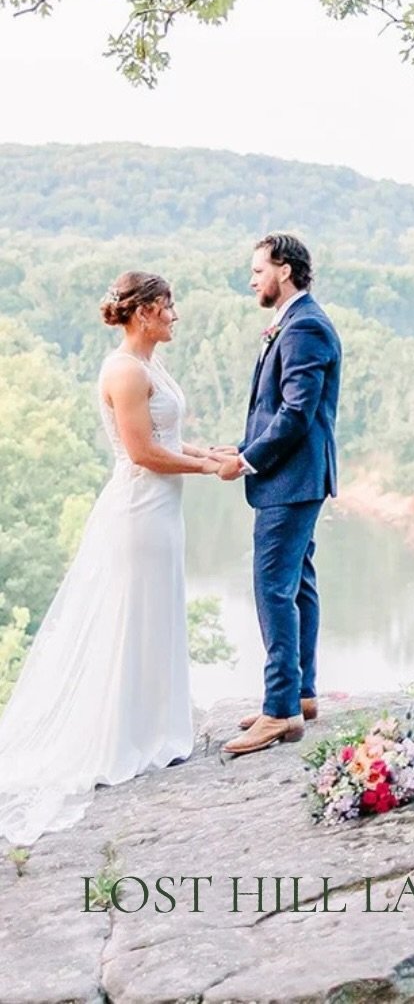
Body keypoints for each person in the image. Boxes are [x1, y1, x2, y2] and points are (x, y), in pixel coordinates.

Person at [0, 272, 224, 848]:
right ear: (145, 310)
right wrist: (205, 470)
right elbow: (145, 452)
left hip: (163, 514)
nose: (175, 315)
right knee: (134, 617)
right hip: (139, 512)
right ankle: (126, 738)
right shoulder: (123, 369)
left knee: (157, 614)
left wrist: (212, 451)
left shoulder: (151, 365)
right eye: (169, 306)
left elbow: (170, 436)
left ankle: (157, 729)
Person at [216, 233, 342, 757]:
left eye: (258, 270)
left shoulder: (305, 325)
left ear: (285, 270)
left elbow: (296, 413)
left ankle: (279, 712)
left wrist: (249, 460)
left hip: (289, 482)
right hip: (296, 478)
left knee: (272, 588)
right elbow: (276, 411)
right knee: (298, 584)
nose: (251, 280)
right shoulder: (295, 321)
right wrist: (243, 444)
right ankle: (302, 694)